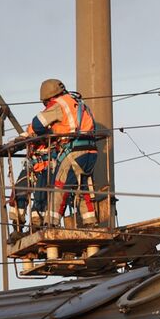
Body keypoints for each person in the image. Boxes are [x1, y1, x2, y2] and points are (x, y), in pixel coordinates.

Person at [28, 78, 98, 225]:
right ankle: (90, 221)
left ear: (48, 98)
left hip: (73, 150)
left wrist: (50, 131)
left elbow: (37, 124)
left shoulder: (57, 104)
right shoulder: (78, 103)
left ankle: (50, 223)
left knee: (60, 185)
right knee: (82, 185)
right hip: (91, 151)